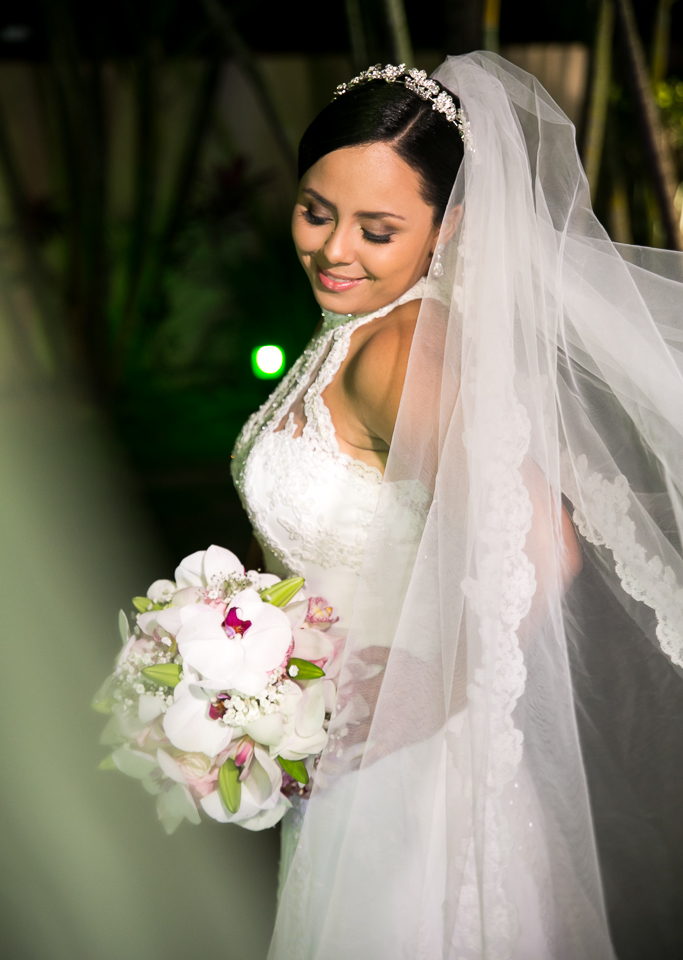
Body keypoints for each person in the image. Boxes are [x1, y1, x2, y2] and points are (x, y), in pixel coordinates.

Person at [232, 55, 683, 959]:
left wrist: (416, 701)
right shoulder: (355, 328)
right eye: (316, 211)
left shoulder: (404, 347)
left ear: (449, 227)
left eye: (377, 229)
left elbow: (540, 542)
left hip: (408, 786)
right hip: (346, 751)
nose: (334, 249)